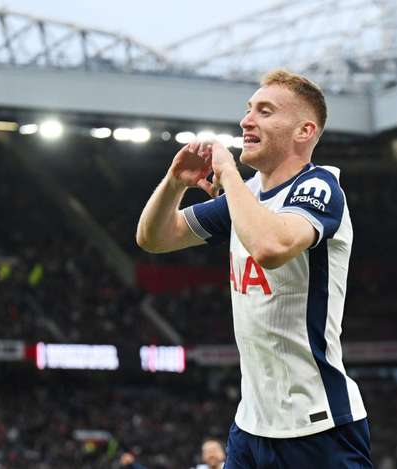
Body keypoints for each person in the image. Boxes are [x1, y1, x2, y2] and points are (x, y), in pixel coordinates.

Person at [136, 69, 372, 468]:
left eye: (265, 111)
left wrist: (229, 174)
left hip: (317, 427)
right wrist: (175, 183)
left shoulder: (320, 188)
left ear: (304, 130)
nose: (246, 120)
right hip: (251, 425)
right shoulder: (249, 197)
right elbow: (155, 238)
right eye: (248, 110)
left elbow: (271, 246)